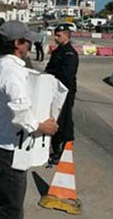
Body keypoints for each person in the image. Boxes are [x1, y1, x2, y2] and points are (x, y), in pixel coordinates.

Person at [0, 20, 59, 219]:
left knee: (0, 200)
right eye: (27, 41)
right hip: (8, 149)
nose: (30, 45)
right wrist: (41, 127)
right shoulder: (10, 70)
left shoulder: (4, 65)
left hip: (0, 142)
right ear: (17, 43)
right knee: (11, 207)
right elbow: (20, 107)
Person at [44, 24, 79, 166]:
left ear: (66, 35)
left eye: (58, 35)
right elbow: (50, 67)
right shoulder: (58, 51)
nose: (55, 38)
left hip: (65, 91)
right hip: (54, 90)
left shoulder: (69, 53)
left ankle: (63, 151)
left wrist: (52, 73)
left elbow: (67, 74)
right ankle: (55, 149)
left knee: (64, 121)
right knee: (54, 118)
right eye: (55, 35)